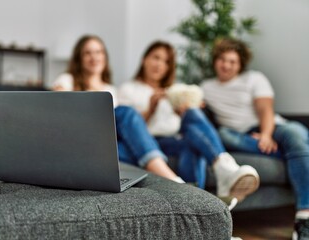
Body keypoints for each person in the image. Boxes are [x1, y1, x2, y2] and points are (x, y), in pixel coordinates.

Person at [118, 40, 259, 203]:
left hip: (172, 140)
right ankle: (197, 198)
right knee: (129, 116)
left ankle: (223, 168)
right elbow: (126, 125)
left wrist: (182, 112)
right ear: (145, 59)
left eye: (166, 62)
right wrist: (151, 107)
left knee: (193, 119)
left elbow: (181, 124)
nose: (159, 64)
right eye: (155, 58)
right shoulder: (128, 88)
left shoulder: (174, 90)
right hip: (146, 141)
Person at [201, 38, 309, 239]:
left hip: (273, 126)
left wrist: (266, 135)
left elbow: (265, 109)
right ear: (215, 61)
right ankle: (294, 155)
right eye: (222, 59)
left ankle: (305, 216)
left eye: (232, 61)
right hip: (239, 136)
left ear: (240, 64)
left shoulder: (254, 78)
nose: (226, 65)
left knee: (295, 135)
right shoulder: (205, 87)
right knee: (223, 134)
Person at [52, 34, 186, 184]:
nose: (94, 57)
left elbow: (125, 128)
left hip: (106, 144)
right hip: (82, 138)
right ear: (79, 58)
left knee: (130, 146)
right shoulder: (67, 80)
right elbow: (59, 107)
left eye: (98, 52)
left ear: (104, 57)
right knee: (126, 112)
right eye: (87, 53)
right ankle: (171, 178)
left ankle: (166, 175)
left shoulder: (111, 89)